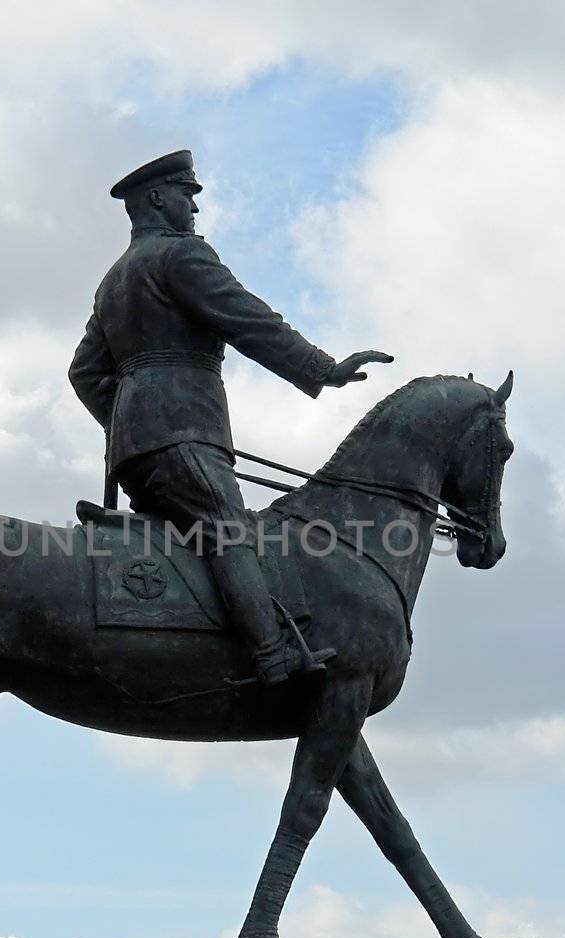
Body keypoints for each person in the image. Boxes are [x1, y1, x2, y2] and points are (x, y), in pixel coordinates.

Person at [68, 149, 392, 686]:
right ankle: (271, 655)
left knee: (187, 545)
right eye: (186, 196)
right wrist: (323, 368)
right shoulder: (181, 258)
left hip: (136, 447)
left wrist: (126, 419)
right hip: (184, 431)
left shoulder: (113, 280)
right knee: (228, 533)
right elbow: (249, 320)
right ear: (157, 198)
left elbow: (84, 372)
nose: (194, 209)